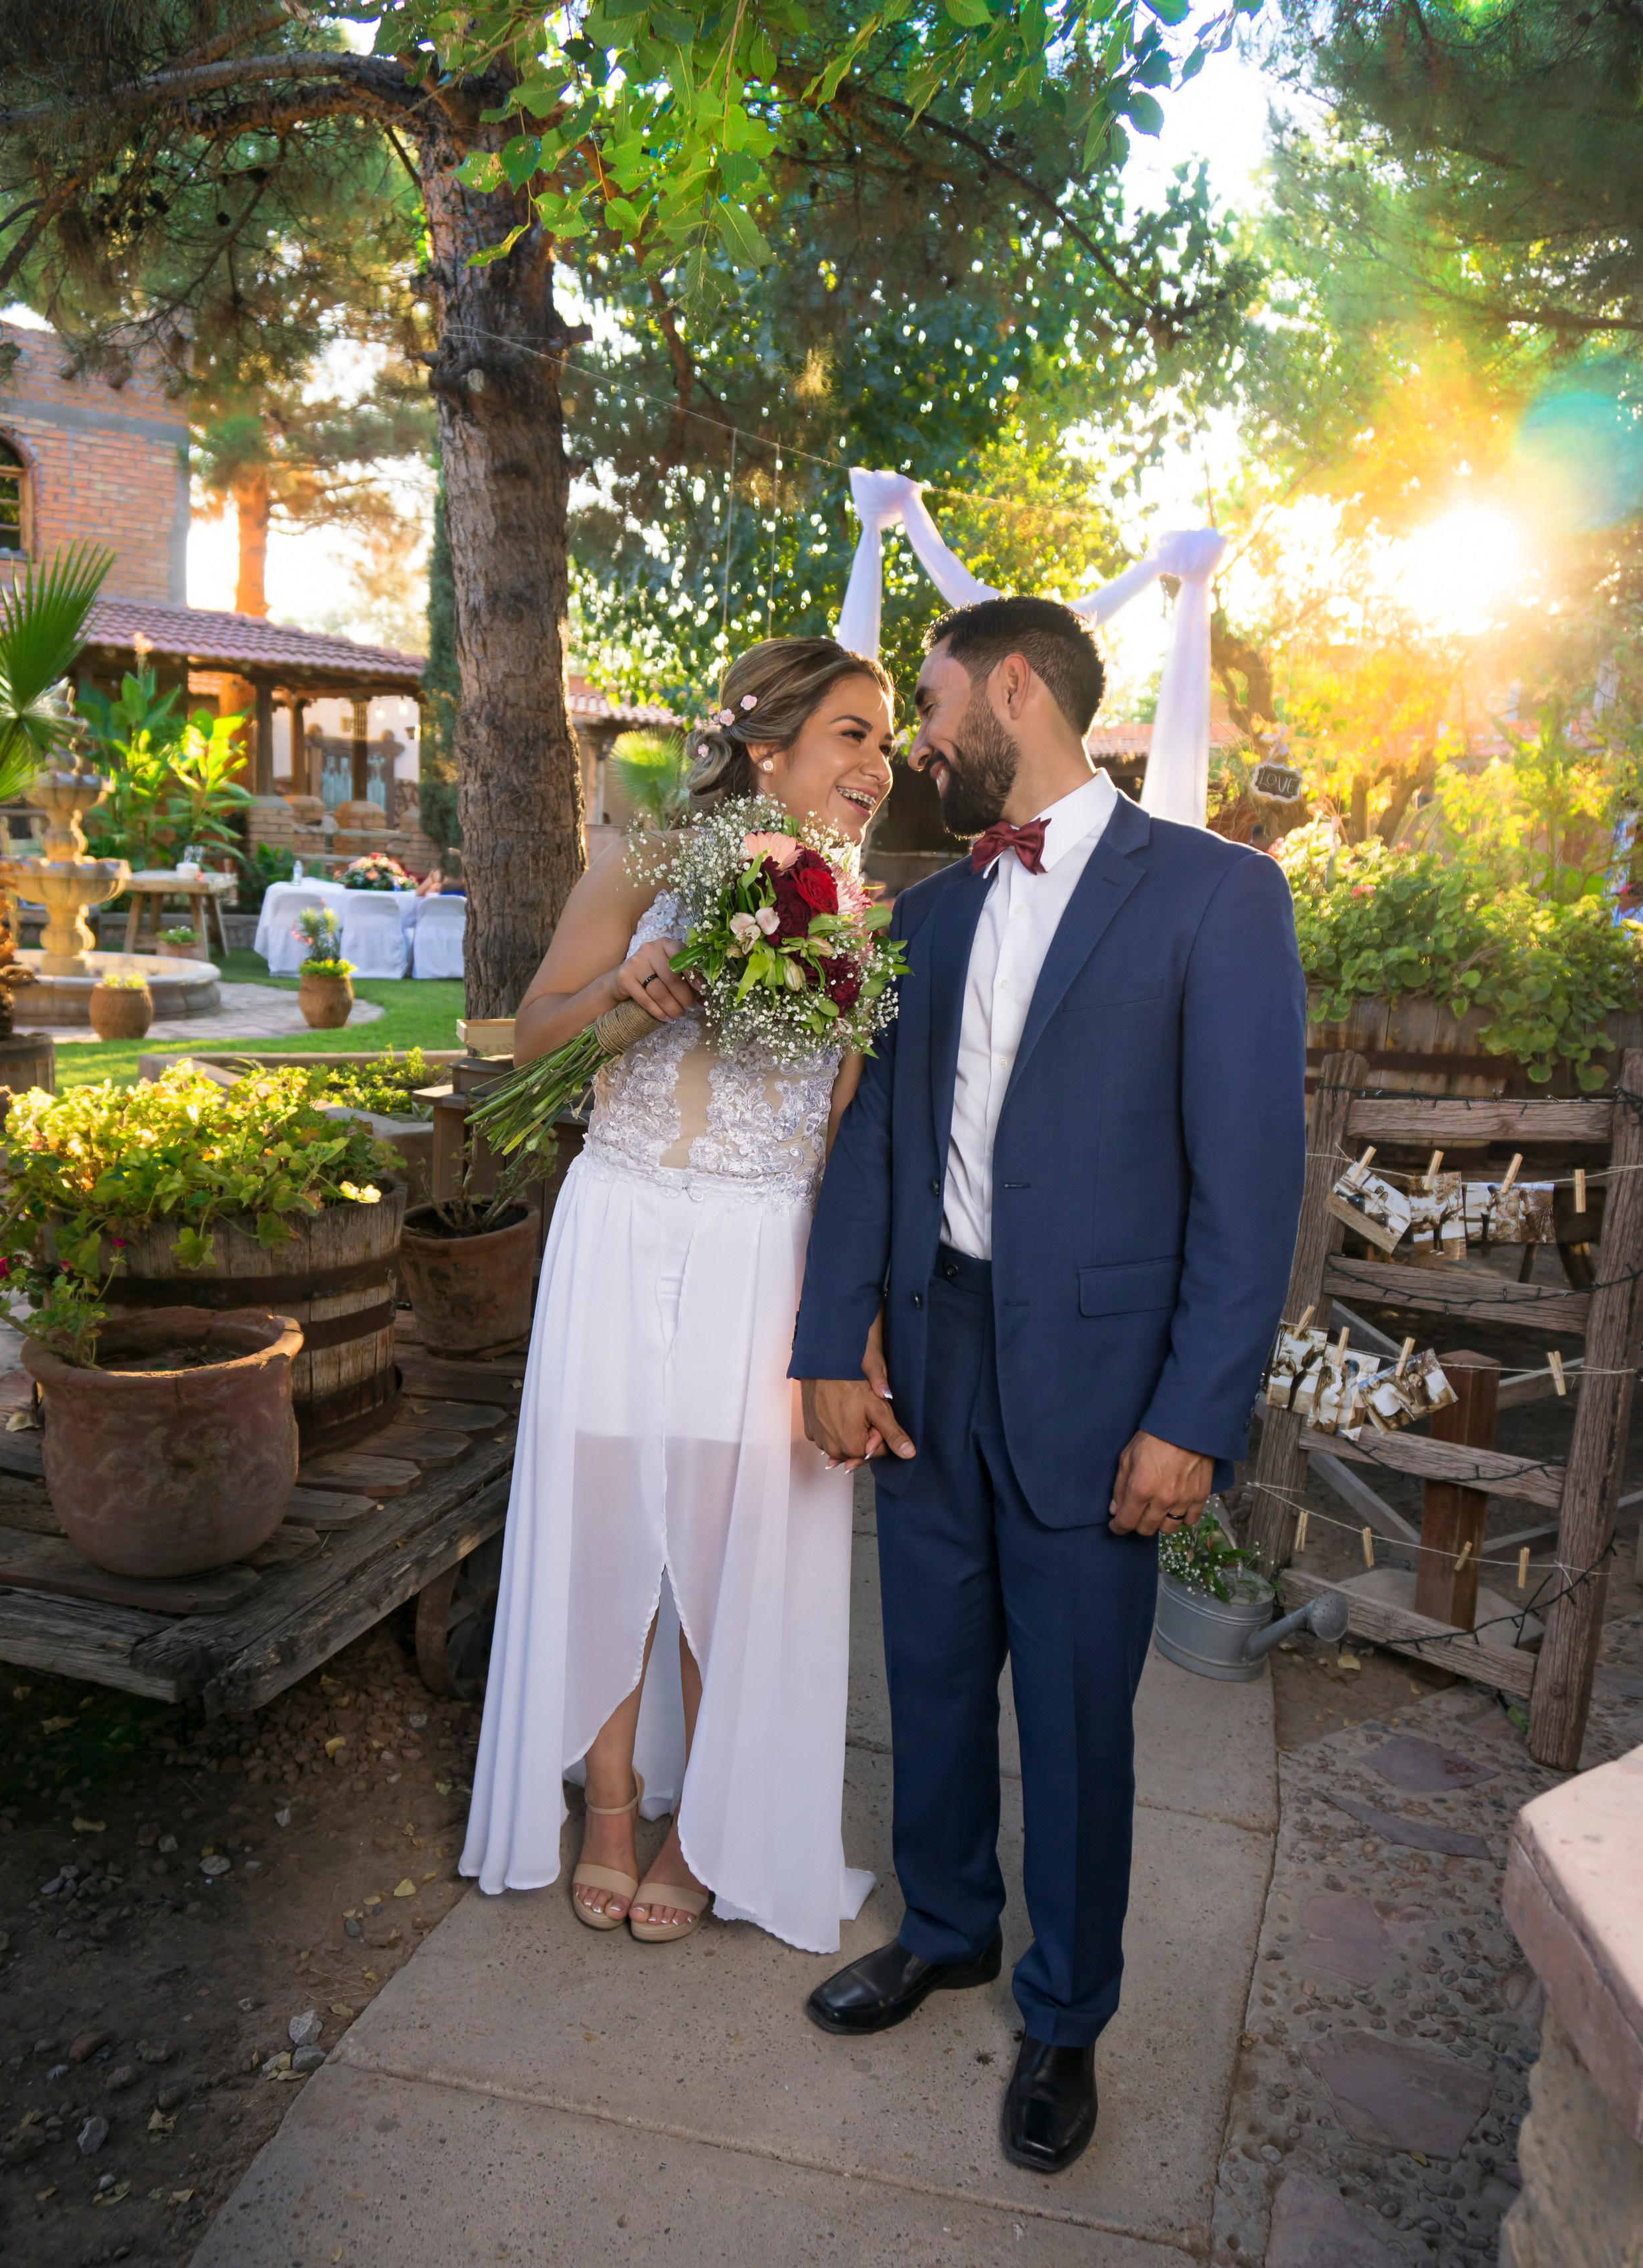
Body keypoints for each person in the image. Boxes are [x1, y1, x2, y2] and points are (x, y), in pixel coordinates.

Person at [791, 596, 1305, 2172]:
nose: (922, 737)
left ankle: (1065, 2014)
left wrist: (1192, 1417)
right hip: (931, 1360)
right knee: (930, 1680)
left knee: (1078, 1719)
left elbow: (1248, 1185)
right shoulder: (930, 914)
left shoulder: (1215, 897)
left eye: (935, 701)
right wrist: (830, 1337)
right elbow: (875, 1138)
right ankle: (943, 1922)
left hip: (1101, 1389)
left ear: (1017, 685)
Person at [460, 637, 895, 1953]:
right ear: (767, 747)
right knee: (603, 1506)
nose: (879, 764)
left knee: (721, 1526)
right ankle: (604, 1806)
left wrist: (845, 1314)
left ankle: (703, 1820)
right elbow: (524, 1037)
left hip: (761, 1243)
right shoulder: (644, 858)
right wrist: (625, 997)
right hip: (621, 1215)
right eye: (852, 735)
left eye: (882, 739)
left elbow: (839, 1126)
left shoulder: (862, 916)